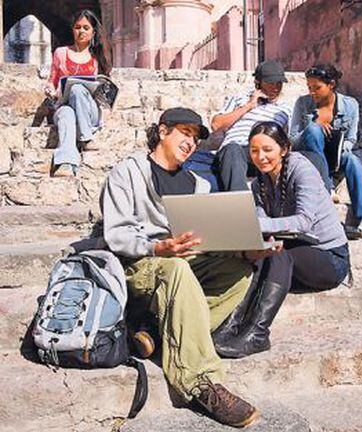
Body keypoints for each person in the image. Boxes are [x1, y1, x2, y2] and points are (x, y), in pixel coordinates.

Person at [101, 107, 259, 427]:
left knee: (238, 271)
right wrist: (157, 247)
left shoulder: (198, 183)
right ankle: (199, 382)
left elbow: (203, 235)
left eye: (196, 139)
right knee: (177, 270)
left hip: (184, 260)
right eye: (185, 134)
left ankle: (157, 338)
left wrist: (241, 246)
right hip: (139, 263)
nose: (191, 143)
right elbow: (117, 234)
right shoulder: (128, 173)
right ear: (162, 131)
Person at [213, 122, 350, 359]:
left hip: (329, 257)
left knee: (278, 251)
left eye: (267, 149)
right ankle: (230, 325)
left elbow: (303, 222)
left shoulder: (301, 170)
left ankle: (257, 334)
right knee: (262, 250)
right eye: (254, 151)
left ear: (284, 148)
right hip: (292, 256)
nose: (260, 157)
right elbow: (261, 222)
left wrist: (256, 225)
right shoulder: (259, 184)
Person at [290, 64, 362, 238]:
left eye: (317, 87)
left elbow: (351, 139)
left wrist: (339, 152)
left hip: (334, 159)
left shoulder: (350, 105)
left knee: (352, 159)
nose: (312, 92)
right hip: (309, 161)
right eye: (309, 87)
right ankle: (327, 186)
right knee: (314, 130)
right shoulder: (302, 103)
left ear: (331, 84)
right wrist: (313, 127)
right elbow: (292, 139)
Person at [44, 9, 112, 177]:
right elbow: (52, 81)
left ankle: (85, 136)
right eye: (77, 27)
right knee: (66, 113)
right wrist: (50, 91)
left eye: (86, 28)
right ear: (73, 30)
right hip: (64, 105)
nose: (81, 31)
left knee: (77, 88)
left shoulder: (97, 58)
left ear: (93, 32)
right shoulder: (61, 53)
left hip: (90, 112)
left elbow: (104, 90)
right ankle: (66, 163)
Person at [211, 59, 291, 191]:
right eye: (270, 83)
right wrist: (248, 106)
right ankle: (240, 204)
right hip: (237, 151)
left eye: (279, 83)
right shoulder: (240, 99)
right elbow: (216, 125)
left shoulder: (285, 109)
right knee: (232, 149)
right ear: (258, 83)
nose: (276, 88)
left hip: (266, 153)